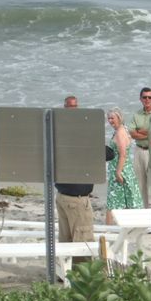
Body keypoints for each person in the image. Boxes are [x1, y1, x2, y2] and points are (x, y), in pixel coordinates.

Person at [55, 95, 94, 263]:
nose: (73, 110)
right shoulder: (79, 133)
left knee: (66, 238)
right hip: (75, 197)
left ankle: (64, 272)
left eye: (75, 107)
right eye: (70, 107)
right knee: (83, 241)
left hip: (62, 194)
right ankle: (80, 274)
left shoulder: (56, 129)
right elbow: (106, 153)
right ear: (65, 108)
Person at [106, 107, 143, 225]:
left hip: (120, 169)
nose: (110, 120)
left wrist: (118, 172)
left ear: (119, 118)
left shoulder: (120, 132)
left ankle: (108, 228)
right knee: (127, 199)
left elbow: (123, 154)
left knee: (112, 201)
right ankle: (126, 226)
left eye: (112, 118)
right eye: (108, 118)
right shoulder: (122, 129)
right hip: (123, 168)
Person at [128, 87, 151, 208]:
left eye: (149, 97)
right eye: (144, 97)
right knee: (140, 184)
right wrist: (148, 133)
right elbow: (132, 133)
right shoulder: (136, 114)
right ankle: (142, 209)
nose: (147, 99)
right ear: (140, 99)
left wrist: (141, 132)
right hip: (138, 150)